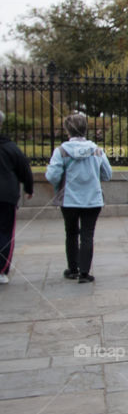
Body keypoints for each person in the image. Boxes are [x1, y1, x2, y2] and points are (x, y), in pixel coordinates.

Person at [45, 113, 112, 283]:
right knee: (88, 234)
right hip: (92, 199)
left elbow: (52, 176)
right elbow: (107, 174)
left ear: (67, 130)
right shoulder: (97, 150)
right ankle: (84, 272)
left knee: (71, 233)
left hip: (69, 199)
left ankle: (72, 268)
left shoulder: (61, 151)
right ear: (85, 129)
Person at [0, 110, 33, 285]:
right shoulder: (10, 147)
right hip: (6, 195)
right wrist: (29, 187)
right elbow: (24, 168)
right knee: (5, 232)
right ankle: (1, 270)